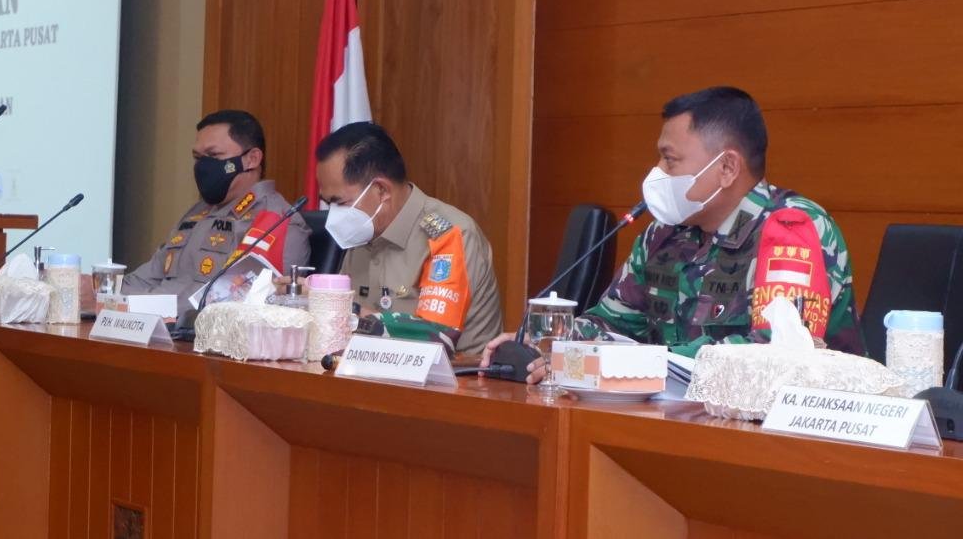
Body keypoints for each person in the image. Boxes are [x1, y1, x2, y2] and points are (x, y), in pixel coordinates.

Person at [482, 86, 866, 382]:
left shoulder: (793, 228)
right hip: (674, 418)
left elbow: (775, 355)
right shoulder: (664, 234)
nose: (658, 172)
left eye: (670, 159)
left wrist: (639, 362)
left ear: (727, 168)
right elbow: (613, 324)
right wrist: (549, 344)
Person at [313, 121, 502, 354]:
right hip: (370, 369)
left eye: (340, 203)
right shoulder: (362, 231)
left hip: (453, 373)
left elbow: (434, 339)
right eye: (328, 203)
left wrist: (343, 309)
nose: (334, 215)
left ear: (382, 190)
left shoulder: (449, 234)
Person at [122, 110, 309, 317]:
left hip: (197, 332)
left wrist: (138, 307)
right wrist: (108, 297)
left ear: (252, 159)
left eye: (214, 156)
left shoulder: (276, 221)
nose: (203, 166)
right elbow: (146, 277)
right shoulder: (196, 213)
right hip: (154, 325)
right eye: (198, 157)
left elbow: (236, 305)